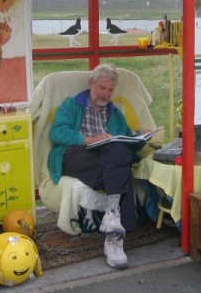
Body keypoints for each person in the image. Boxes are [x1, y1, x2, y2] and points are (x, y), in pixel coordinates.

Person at [48, 63, 141, 270]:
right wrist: (90, 139)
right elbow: (56, 133)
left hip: (104, 164)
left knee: (120, 158)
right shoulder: (72, 105)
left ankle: (113, 233)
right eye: (102, 88)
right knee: (120, 166)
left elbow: (126, 141)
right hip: (75, 157)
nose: (106, 94)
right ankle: (115, 231)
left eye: (110, 90)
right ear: (92, 84)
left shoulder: (115, 113)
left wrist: (141, 137)